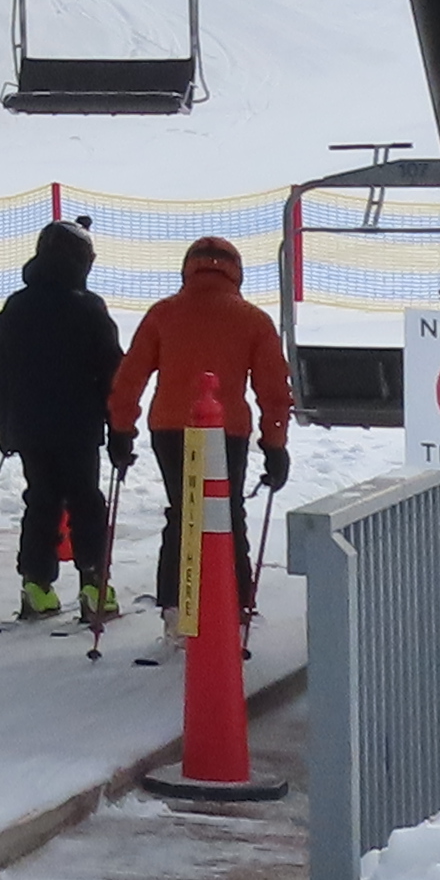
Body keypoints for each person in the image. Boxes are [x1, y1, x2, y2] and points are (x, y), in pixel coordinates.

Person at [111, 233, 296, 629]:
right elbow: (274, 391)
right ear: (235, 272)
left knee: (183, 513)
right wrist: (275, 444)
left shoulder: (163, 314)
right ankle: (234, 605)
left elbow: (130, 377)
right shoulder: (252, 320)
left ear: (188, 269)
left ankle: (176, 610)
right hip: (227, 431)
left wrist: (121, 429)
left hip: (170, 428)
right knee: (227, 513)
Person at [0, 219, 126, 625]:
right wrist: (119, 429)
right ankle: (94, 586)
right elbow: (112, 372)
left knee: (41, 500)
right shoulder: (89, 308)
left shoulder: (16, 307)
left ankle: (36, 586)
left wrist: (3, 425)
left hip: (28, 428)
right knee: (85, 501)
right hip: (79, 427)